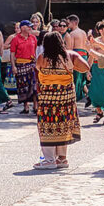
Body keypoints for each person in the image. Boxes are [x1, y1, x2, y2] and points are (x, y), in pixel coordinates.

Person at [33, 31, 89, 169]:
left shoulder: (42, 57)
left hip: (48, 98)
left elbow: (38, 70)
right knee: (63, 125)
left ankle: (49, 160)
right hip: (66, 98)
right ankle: (62, 159)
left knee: (47, 126)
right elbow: (85, 68)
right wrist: (72, 66)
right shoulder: (70, 56)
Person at [85, 20, 104, 124]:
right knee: (94, 92)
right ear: (100, 31)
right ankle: (99, 112)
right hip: (96, 67)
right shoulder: (96, 41)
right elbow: (90, 57)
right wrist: (87, 70)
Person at [9, 20, 39, 114]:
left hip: (32, 64)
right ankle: (26, 107)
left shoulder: (33, 38)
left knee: (34, 86)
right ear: (22, 28)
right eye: (28, 26)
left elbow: (36, 51)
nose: (30, 28)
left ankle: (35, 106)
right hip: (21, 64)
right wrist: (13, 66)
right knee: (23, 86)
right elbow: (12, 54)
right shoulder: (15, 39)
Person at [64, 15, 89, 103]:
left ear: (74, 22)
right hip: (84, 55)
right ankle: (88, 95)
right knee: (82, 78)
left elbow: (70, 49)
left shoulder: (72, 34)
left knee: (76, 78)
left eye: (68, 23)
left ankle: (75, 97)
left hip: (77, 56)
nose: (67, 25)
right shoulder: (83, 32)